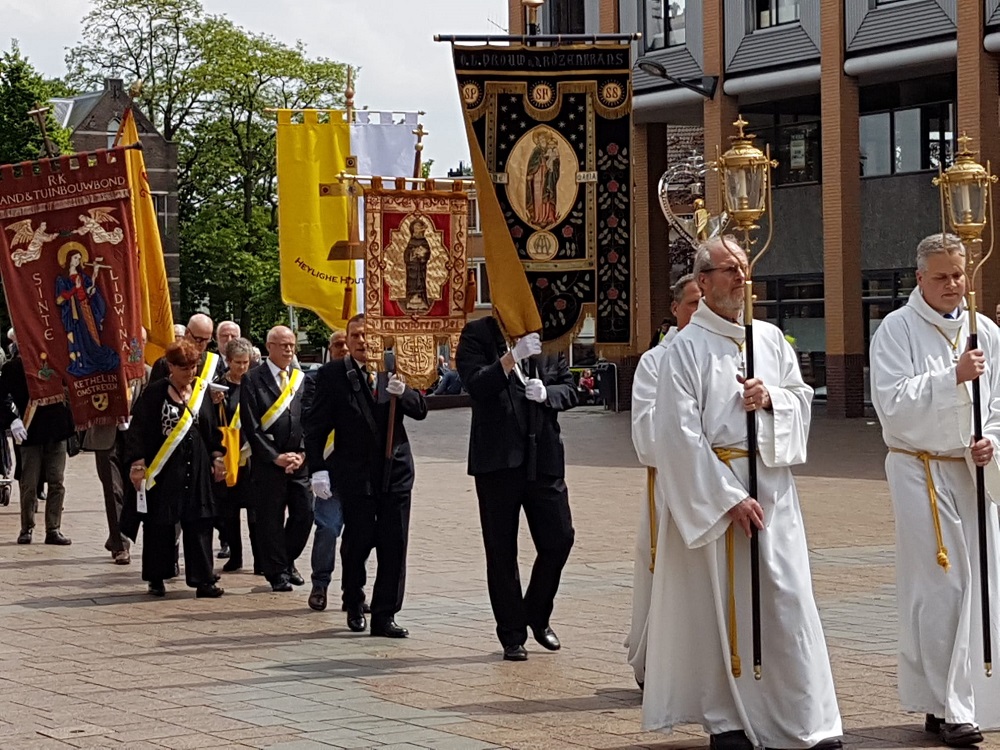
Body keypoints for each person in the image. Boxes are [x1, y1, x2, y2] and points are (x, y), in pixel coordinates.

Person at [644, 236, 842, 749]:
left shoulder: (770, 339)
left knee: (789, 600)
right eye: (728, 269)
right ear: (702, 282)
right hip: (722, 495)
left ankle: (806, 721)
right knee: (724, 610)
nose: (740, 278)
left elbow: (801, 399)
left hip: (774, 489)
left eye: (744, 268)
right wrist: (726, 497)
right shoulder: (684, 350)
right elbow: (676, 435)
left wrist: (772, 397)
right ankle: (728, 720)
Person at [870, 232, 1000, 747]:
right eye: (942, 276)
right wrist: (951, 377)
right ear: (919, 277)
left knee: (983, 586)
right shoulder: (896, 330)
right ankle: (949, 707)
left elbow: (998, 402)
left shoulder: (985, 329)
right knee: (941, 590)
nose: (953, 285)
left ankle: (956, 700)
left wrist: (991, 440)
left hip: (972, 471)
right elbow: (892, 403)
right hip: (919, 469)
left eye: (959, 274)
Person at [455, 316, 577, 661]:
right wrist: (509, 359)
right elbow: (476, 385)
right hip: (497, 461)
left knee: (560, 539)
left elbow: (570, 388)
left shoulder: (550, 334)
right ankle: (512, 633)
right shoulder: (478, 334)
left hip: (544, 458)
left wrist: (548, 394)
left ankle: (536, 614)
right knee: (501, 551)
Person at [304, 313, 427, 637]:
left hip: (395, 471)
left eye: (366, 335)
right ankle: (354, 601)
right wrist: (317, 468)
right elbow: (316, 427)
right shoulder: (333, 374)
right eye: (354, 336)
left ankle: (385, 614)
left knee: (394, 544)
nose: (360, 341)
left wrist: (405, 392)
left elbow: (420, 410)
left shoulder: (394, 366)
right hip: (355, 474)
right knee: (357, 543)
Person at [626, 273, 700, 687]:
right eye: (691, 304)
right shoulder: (656, 361)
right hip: (672, 488)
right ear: (674, 310)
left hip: (724, 486)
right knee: (669, 574)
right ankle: (660, 662)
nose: (700, 310)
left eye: (704, 302)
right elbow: (647, 437)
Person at [125, 340, 225, 598]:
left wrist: (217, 457)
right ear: (170, 366)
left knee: (200, 521)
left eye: (193, 367)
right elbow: (138, 431)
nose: (189, 373)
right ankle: (157, 576)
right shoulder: (155, 393)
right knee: (160, 523)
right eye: (184, 368)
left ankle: (203, 580)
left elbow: (211, 429)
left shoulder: (202, 392)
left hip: (198, 469)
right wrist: (138, 463)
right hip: (166, 470)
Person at [241, 325, 313, 592]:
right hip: (268, 464)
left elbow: (308, 419)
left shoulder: (300, 378)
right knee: (270, 520)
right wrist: (274, 457)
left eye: (292, 345)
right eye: (283, 345)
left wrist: (303, 454)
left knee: (305, 513)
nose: (288, 349)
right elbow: (251, 426)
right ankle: (277, 573)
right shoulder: (253, 379)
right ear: (269, 346)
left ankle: (286, 559)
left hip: (298, 462)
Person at [303, 328, 367, 613]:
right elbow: (314, 425)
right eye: (340, 343)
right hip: (331, 470)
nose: (345, 347)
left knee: (358, 535)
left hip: (361, 474)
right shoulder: (326, 376)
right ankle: (320, 583)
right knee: (328, 528)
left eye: (348, 342)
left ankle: (353, 593)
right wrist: (316, 468)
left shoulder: (373, 373)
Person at [85, 328, 152, 564]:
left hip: (135, 441)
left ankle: (118, 531)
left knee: (133, 490)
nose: (136, 347)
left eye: (141, 342)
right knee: (113, 491)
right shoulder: (104, 371)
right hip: (107, 437)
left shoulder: (148, 375)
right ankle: (120, 545)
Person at [0, 354, 75, 545]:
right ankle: (27, 528)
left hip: (56, 428)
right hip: (30, 429)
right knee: (29, 483)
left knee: (56, 480)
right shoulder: (14, 367)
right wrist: (12, 420)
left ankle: (53, 528)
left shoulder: (59, 359)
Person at [213, 337, 260, 574]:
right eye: (238, 363)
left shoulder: (257, 382)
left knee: (256, 514)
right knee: (228, 512)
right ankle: (236, 556)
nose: (243, 367)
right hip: (228, 455)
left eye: (246, 362)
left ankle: (260, 559)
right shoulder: (218, 387)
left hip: (251, 456)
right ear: (228, 361)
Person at [151, 314, 222, 384]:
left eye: (207, 340)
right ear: (187, 333)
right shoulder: (166, 363)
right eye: (198, 339)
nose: (202, 345)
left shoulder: (214, 363)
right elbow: (154, 393)